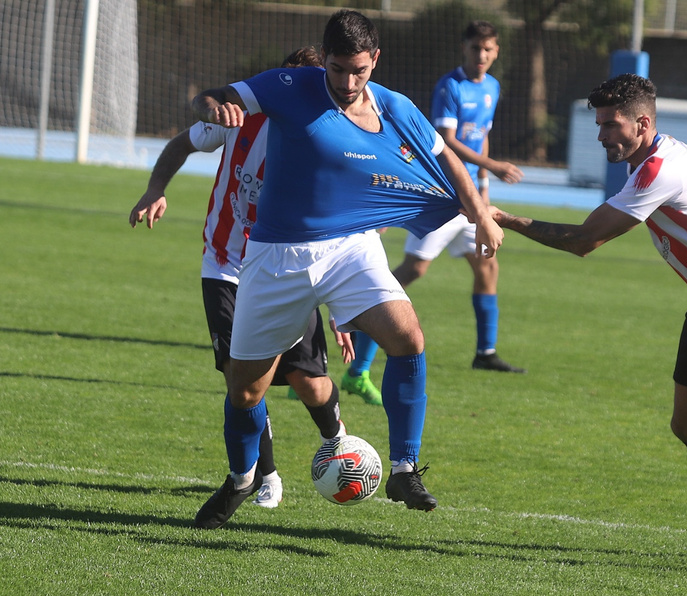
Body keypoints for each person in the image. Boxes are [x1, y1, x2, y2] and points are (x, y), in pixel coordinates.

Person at [484, 74, 687, 585]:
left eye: (611, 124)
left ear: (642, 122)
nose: (602, 134)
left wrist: (504, 217)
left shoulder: (661, 169)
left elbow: (585, 240)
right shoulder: (646, 163)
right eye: (600, 124)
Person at [189, 10, 503, 514]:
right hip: (277, 256)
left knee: (408, 337)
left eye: (358, 70)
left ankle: (404, 469)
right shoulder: (291, 85)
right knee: (245, 390)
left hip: (349, 246)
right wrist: (212, 107)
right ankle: (243, 477)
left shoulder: (395, 106)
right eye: (337, 69)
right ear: (325, 59)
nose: (347, 81)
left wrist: (483, 215)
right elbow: (214, 95)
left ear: (374, 60)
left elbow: (446, 158)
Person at [130, 47, 354, 529]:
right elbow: (184, 138)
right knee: (242, 380)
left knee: (311, 384)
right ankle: (256, 474)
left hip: (288, 270)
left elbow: (341, 230)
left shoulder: (327, 136)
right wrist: (156, 189)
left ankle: (342, 450)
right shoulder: (242, 118)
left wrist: (342, 311)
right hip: (227, 265)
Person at [341, 21, 524, 404]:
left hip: (473, 198)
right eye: (476, 49)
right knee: (411, 272)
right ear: (465, 49)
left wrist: (484, 186)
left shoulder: (492, 87)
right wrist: (492, 165)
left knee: (487, 267)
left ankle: (485, 353)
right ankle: (358, 363)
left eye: (489, 50)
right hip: (444, 195)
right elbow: (450, 143)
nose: (482, 56)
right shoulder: (450, 87)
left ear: (497, 52)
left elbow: (483, 132)